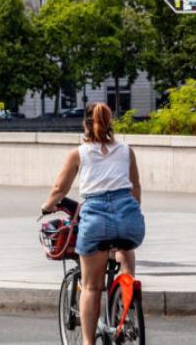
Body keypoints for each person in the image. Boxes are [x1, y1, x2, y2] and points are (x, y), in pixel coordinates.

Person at [41, 102, 145, 345]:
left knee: (91, 287)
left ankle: (88, 342)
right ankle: (125, 295)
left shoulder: (79, 153)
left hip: (96, 220)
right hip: (130, 220)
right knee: (124, 248)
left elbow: (60, 188)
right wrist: (132, 211)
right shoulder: (126, 151)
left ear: (84, 125)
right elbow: (136, 187)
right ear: (110, 123)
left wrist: (47, 206)